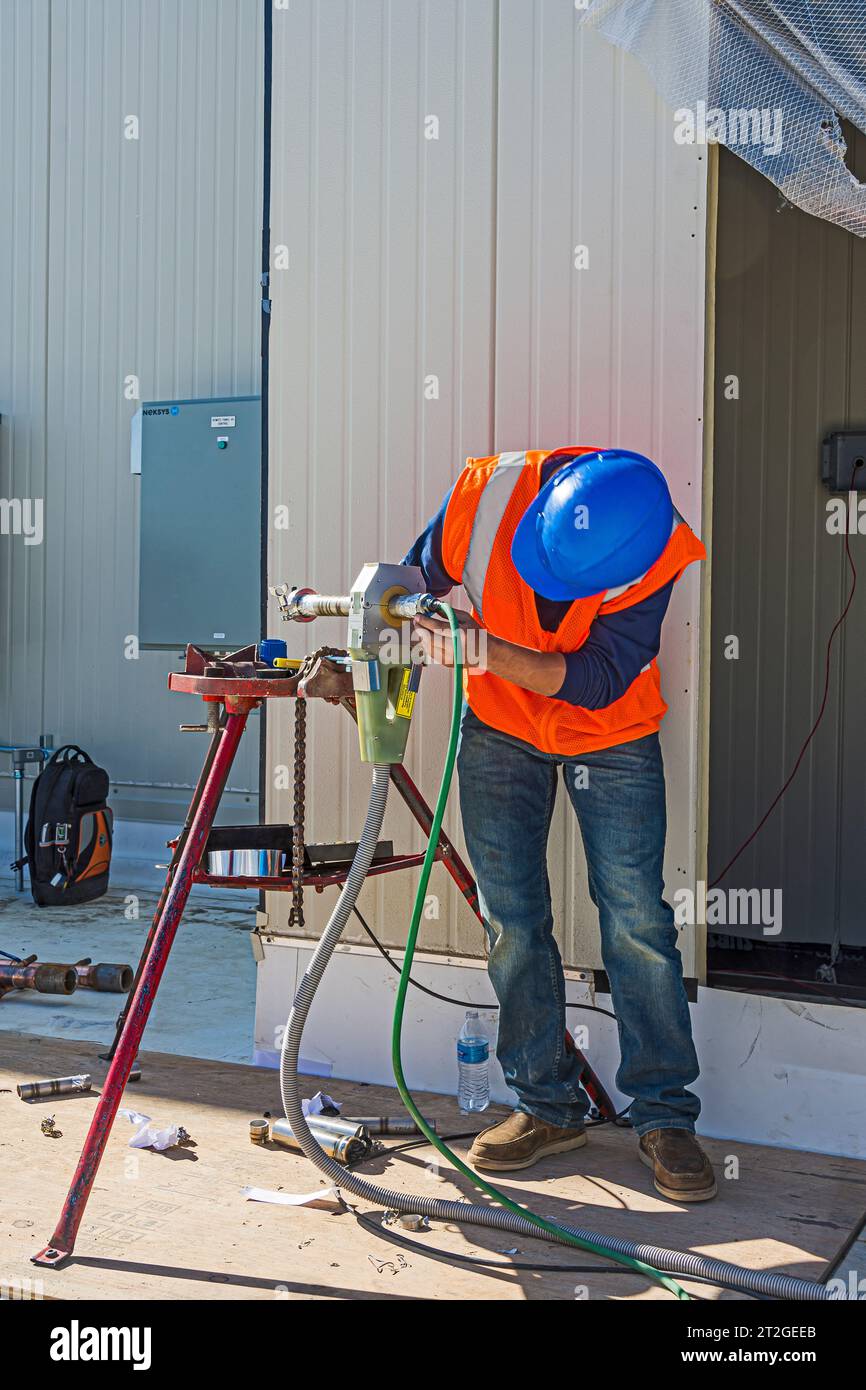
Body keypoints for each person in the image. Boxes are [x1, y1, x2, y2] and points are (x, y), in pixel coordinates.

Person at [404, 447, 715, 1202]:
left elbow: (598, 679)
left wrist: (480, 648)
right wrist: (393, 630)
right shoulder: (485, 493)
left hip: (610, 735)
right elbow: (414, 585)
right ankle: (547, 1107)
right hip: (497, 729)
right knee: (511, 917)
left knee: (637, 922)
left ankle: (664, 1117)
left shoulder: (655, 543)